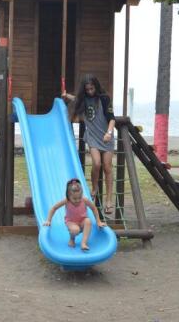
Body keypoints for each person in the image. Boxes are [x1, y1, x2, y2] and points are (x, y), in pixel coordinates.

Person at [62, 75, 116, 215]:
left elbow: (112, 119)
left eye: (92, 88)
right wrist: (66, 95)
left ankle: (109, 200)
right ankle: (94, 187)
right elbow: (76, 98)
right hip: (92, 137)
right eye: (87, 89)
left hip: (106, 137)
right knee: (96, 163)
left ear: (96, 87)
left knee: (107, 167)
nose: (90, 91)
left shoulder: (104, 99)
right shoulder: (83, 99)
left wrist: (109, 133)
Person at [43, 178, 106, 251]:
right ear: (68, 196)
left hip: (82, 221)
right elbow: (53, 208)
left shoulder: (84, 200)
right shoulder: (66, 201)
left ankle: (83, 243)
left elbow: (94, 208)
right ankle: (72, 239)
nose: (77, 200)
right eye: (74, 198)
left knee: (88, 221)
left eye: (79, 197)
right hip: (71, 222)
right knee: (75, 230)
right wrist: (48, 220)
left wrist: (98, 221)